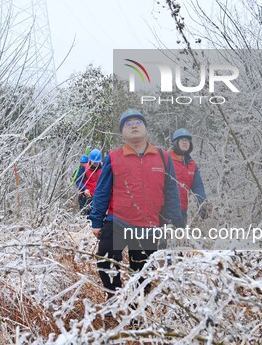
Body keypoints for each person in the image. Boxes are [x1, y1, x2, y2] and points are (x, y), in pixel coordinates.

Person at [89, 109, 183, 310]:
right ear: (122, 132)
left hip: (149, 224)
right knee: (105, 260)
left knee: (142, 271)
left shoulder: (162, 157)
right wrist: (96, 221)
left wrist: (175, 221)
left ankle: (135, 308)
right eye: (127, 123)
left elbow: (171, 190)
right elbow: (102, 191)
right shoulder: (113, 157)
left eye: (138, 122)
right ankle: (113, 299)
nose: (133, 125)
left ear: (146, 129)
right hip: (118, 220)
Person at [169, 128, 208, 224]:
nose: (185, 142)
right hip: (166, 210)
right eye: (182, 140)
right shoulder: (166, 160)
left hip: (182, 211)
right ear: (175, 143)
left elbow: (198, 187)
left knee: (181, 237)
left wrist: (202, 205)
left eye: (187, 140)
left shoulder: (192, 165)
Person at [75, 149, 103, 217]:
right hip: (85, 197)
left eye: (97, 162)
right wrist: (84, 189)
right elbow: (78, 181)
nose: (96, 164)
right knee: (85, 217)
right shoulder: (84, 168)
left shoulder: (103, 168)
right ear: (90, 160)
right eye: (94, 162)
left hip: (98, 197)